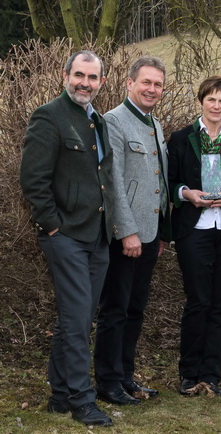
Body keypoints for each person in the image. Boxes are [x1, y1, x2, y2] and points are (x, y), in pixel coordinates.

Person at [20, 50, 115, 427]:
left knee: (78, 318)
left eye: (92, 78)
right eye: (79, 74)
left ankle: (59, 395)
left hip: (98, 236)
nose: (85, 83)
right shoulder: (49, 116)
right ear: (65, 75)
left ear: (101, 83)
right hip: (66, 236)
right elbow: (33, 180)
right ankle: (81, 400)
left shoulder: (99, 122)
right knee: (76, 321)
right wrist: (53, 225)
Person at [93, 56, 170, 404]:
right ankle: (107, 382)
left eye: (157, 84)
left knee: (135, 308)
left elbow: (160, 184)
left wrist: (160, 232)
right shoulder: (114, 121)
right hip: (127, 236)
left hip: (151, 235)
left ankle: (125, 376)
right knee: (115, 309)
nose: (152, 89)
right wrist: (127, 231)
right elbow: (113, 182)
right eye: (146, 82)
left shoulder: (155, 123)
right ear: (129, 83)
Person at [168, 76, 221, 396]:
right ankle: (189, 374)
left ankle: (211, 374)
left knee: (220, 304)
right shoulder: (180, 138)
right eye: (211, 99)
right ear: (201, 100)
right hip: (193, 228)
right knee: (198, 301)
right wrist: (187, 194)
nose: (216, 106)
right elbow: (171, 182)